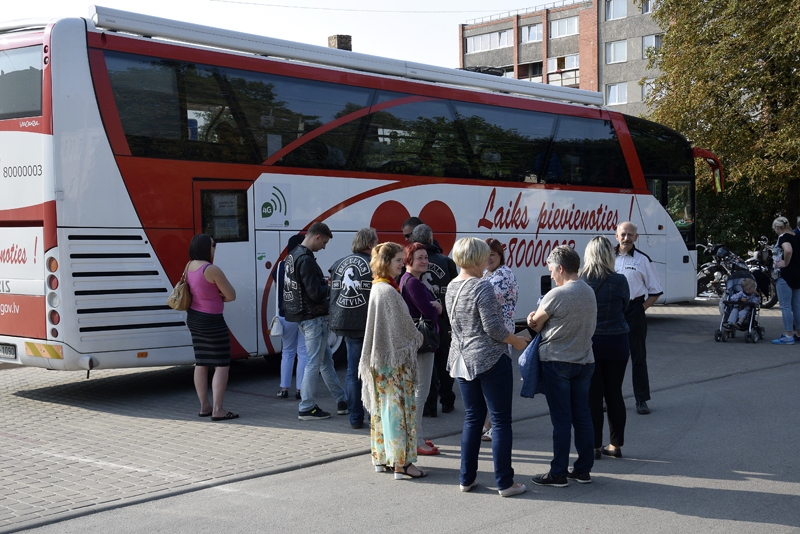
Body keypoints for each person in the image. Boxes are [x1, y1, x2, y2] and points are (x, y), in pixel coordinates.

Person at [446, 237, 529, 497]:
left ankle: (466, 478)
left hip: (462, 359)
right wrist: (516, 341)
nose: (487, 260)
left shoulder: (452, 285)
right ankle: (505, 483)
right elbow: (493, 328)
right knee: (501, 421)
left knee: (473, 418)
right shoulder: (481, 286)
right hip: (490, 358)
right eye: (484, 256)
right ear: (475, 258)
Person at [527, 245, 597, 487]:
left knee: (561, 420)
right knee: (582, 416)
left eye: (551, 270)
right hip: (584, 360)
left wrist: (531, 317)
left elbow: (536, 325)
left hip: (558, 361)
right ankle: (583, 469)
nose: (551, 275)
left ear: (560, 268)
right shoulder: (588, 290)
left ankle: (558, 473)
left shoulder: (556, 294)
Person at [359, 242, 427, 479]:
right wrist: (418, 336)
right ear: (386, 262)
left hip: (381, 361)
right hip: (395, 363)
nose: (401, 264)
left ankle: (382, 457)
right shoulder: (388, 291)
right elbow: (403, 330)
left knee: (383, 410)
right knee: (399, 411)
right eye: (398, 260)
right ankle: (402, 463)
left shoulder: (378, 286)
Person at [283, 221, 348, 420]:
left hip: (301, 316)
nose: (324, 247)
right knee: (314, 363)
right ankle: (307, 407)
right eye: (324, 242)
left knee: (325, 362)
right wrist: (329, 287)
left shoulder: (292, 256)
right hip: (314, 317)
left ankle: (342, 400)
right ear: (317, 237)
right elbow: (316, 294)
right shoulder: (306, 259)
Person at [581, 236, 630, 460]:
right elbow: (625, 305)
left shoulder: (580, 280)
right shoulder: (620, 280)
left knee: (593, 396)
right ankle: (615, 444)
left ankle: (593, 446)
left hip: (590, 342)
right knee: (614, 393)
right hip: (617, 341)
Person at [185, 234, 238, 421]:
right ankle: (218, 410)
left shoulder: (189, 266)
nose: (215, 248)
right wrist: (220, 296)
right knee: (221, 365)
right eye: (213, 245)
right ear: (206, 248)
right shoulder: (211, 269)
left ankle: (204, 406)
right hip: (212, 320)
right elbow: (231, 295)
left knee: (201, 362)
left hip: (194, 317)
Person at [328, 228, 378, 429]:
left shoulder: (339, 263)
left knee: (352, 372)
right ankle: (373, 418)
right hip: (367, 324)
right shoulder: (374, 264)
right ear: (369, 244)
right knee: (372, 372)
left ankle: (355, 418)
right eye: (376, 242)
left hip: (345, 323)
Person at [409, 224, 458, 417]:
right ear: (431, 238)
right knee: (444, 363)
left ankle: (429, 406)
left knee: (426, 367)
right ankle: (447, 401)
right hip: (442, 320)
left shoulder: (411, 266)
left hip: (421, 323)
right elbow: (454, 292)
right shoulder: (447, 262)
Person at [614, 221, 663, 415]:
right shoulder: (606, 257)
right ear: (616, 236)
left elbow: (655, 291)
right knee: (611, 358)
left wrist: (640, 309)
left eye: (630, 235)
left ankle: (641, 399)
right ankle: (610, 398)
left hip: (634, 310)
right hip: (611, 312)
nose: (626, 238)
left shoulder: (643, 260)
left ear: (636, 237)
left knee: (638, 357)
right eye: (623, 234)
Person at [400, 242, 442, 455]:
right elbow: (429, 312)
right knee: (421, 391)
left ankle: (418, 435)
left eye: (426, 257)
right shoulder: (413, 283)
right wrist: (437, 307)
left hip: (415, 341)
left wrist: (435, 305)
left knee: (418, 390)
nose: (425, 261)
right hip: (422, 343)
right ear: (409, 259)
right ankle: (415, 440)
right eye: (420, 257)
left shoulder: (410, 280)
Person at [480, 237, 519, 442]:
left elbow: (486, 300)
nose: (488, 259)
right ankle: (489, 423)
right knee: (490, 383)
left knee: (497, 383)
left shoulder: (503, 274)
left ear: (500, 256)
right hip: (491, 333)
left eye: (492, 255)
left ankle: (494, 425)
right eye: (485, 255)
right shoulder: (487, 273)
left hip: (500, 333)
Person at [274, 234, 308, 401]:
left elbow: (278, 288)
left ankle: (283, 388)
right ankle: (300, 389)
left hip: (284, 315)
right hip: (301, 314)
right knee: (303, 352)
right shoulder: (303, 262)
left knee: (287, 352)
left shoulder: (280, 266)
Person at [771, 217, 800, 344]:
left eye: (775, 229)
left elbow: (788, 250)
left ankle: (788, 336)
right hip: (797, 275)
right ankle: (799, 334)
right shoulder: (796, 236)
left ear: (778, 227)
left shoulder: (783, 237)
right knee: (797, 306)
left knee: (785, 306)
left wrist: (785, 263)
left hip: (785, 276)